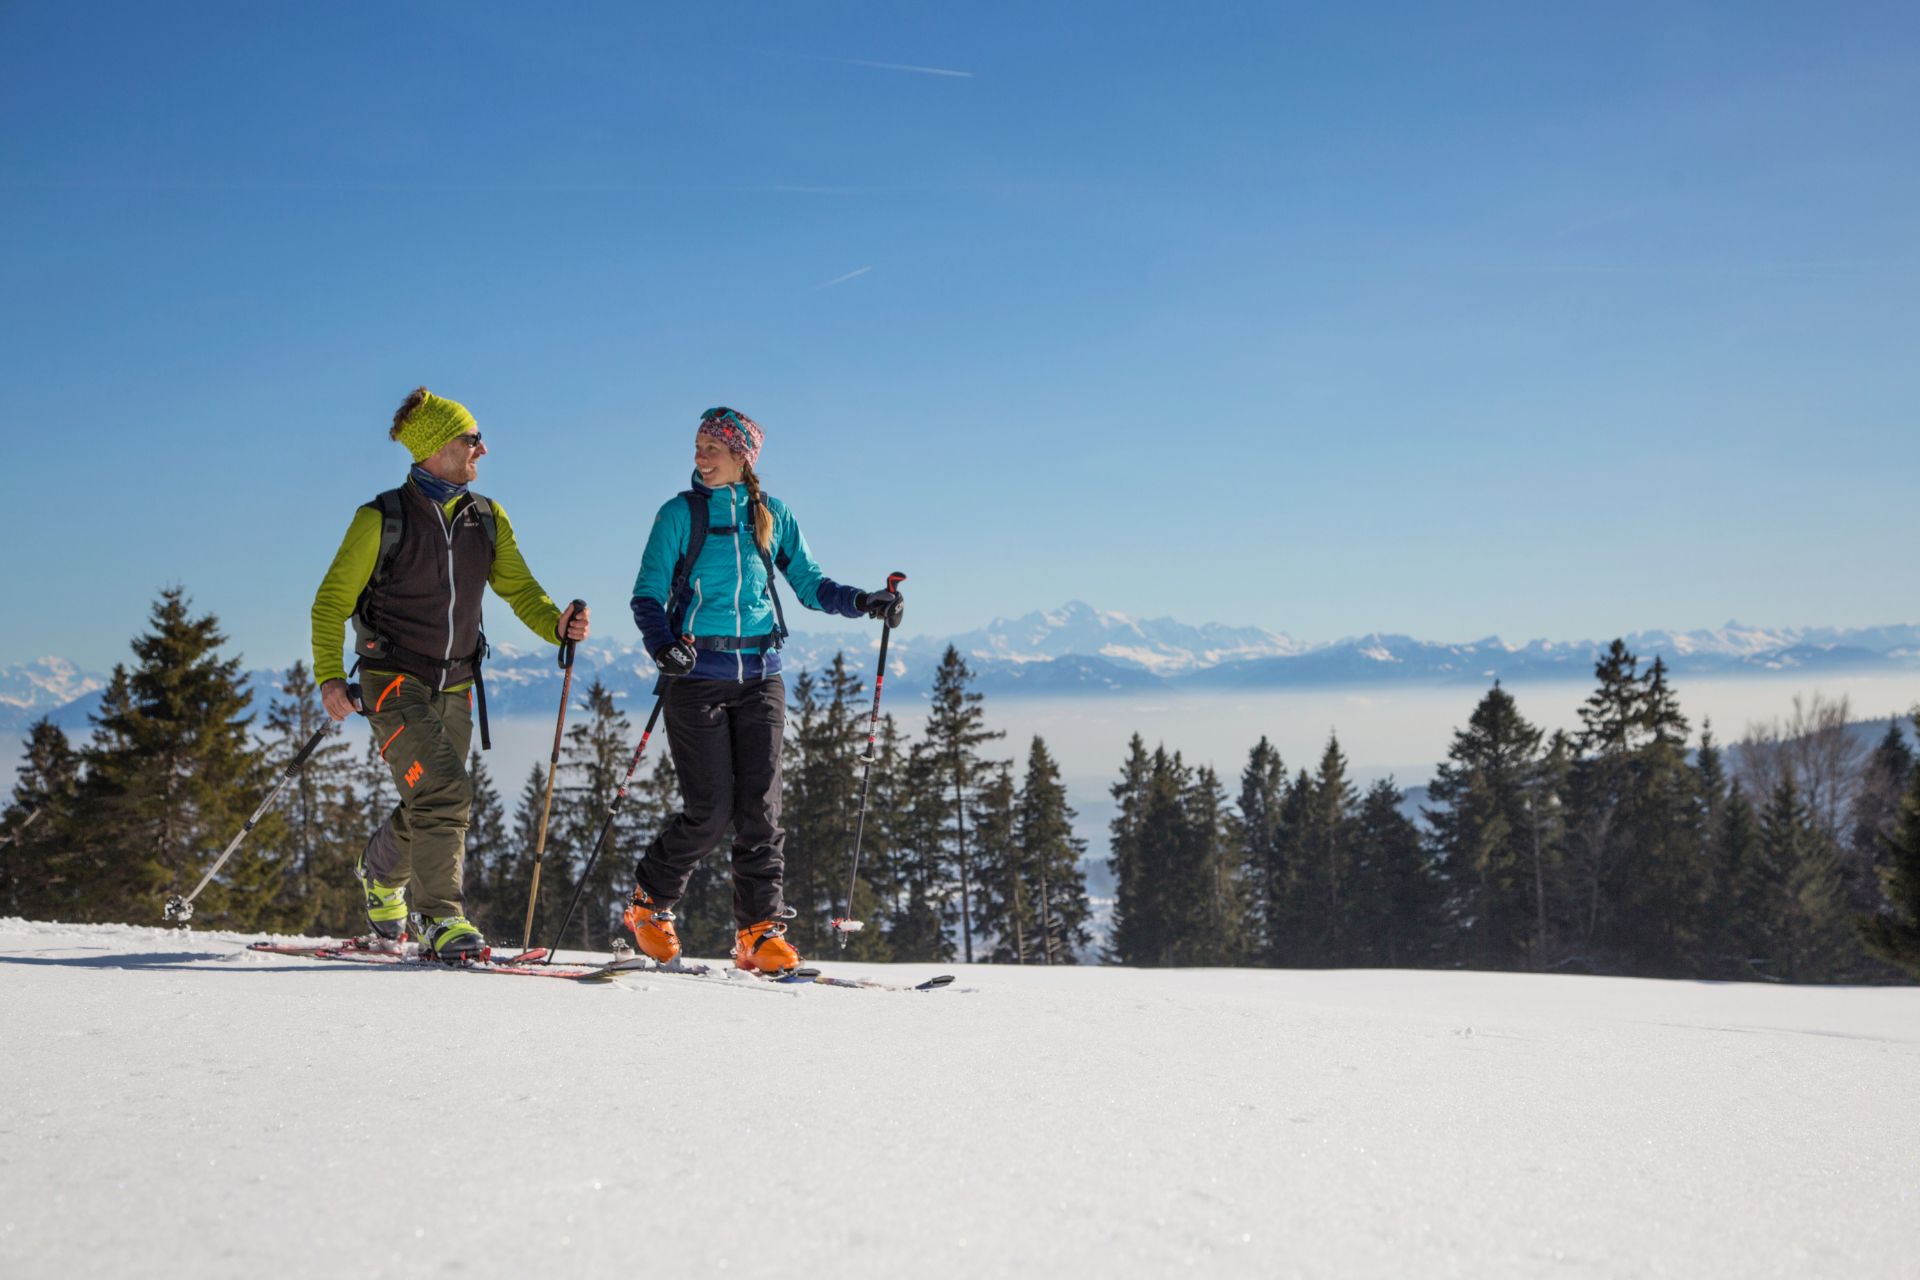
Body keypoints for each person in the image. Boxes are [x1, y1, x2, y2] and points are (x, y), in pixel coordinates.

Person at [311, 388, 590, 962]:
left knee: (431, 800)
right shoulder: (381, 519)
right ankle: (442, 920)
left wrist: (556, 626)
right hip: (391, 681)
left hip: (457, 685)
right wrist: (330, 678)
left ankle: (380, 871)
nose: (482, 449)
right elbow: (330, 602)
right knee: (444, 791)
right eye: (471, 439)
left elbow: (520, 589)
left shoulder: (486, 518)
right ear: (438, 446)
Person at [624, 407, 902, 975]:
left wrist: (863, 601)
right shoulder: (680, 514)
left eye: (712, 448)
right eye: (698, 446)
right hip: (696, 676)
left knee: (760, 812)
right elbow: (647, 594)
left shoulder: (771, 514)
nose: (700, 457)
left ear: (742, 456)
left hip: (761, 676)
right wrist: (662, 644)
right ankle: (648, 907)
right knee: (709, 812)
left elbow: (809, 583)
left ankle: (759, 932)